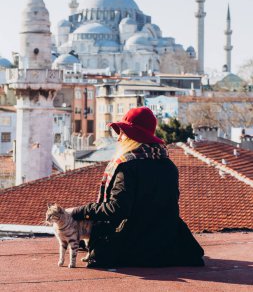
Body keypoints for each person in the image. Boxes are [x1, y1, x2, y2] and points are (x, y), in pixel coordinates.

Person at [72, 107, 204, 267]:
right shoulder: (168, 165)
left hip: (136, 246)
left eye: (122, 133)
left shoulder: (127, 166)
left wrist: (80, 211)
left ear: (132, 137)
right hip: (167, 243)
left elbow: (117, 209)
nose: (118, 138)